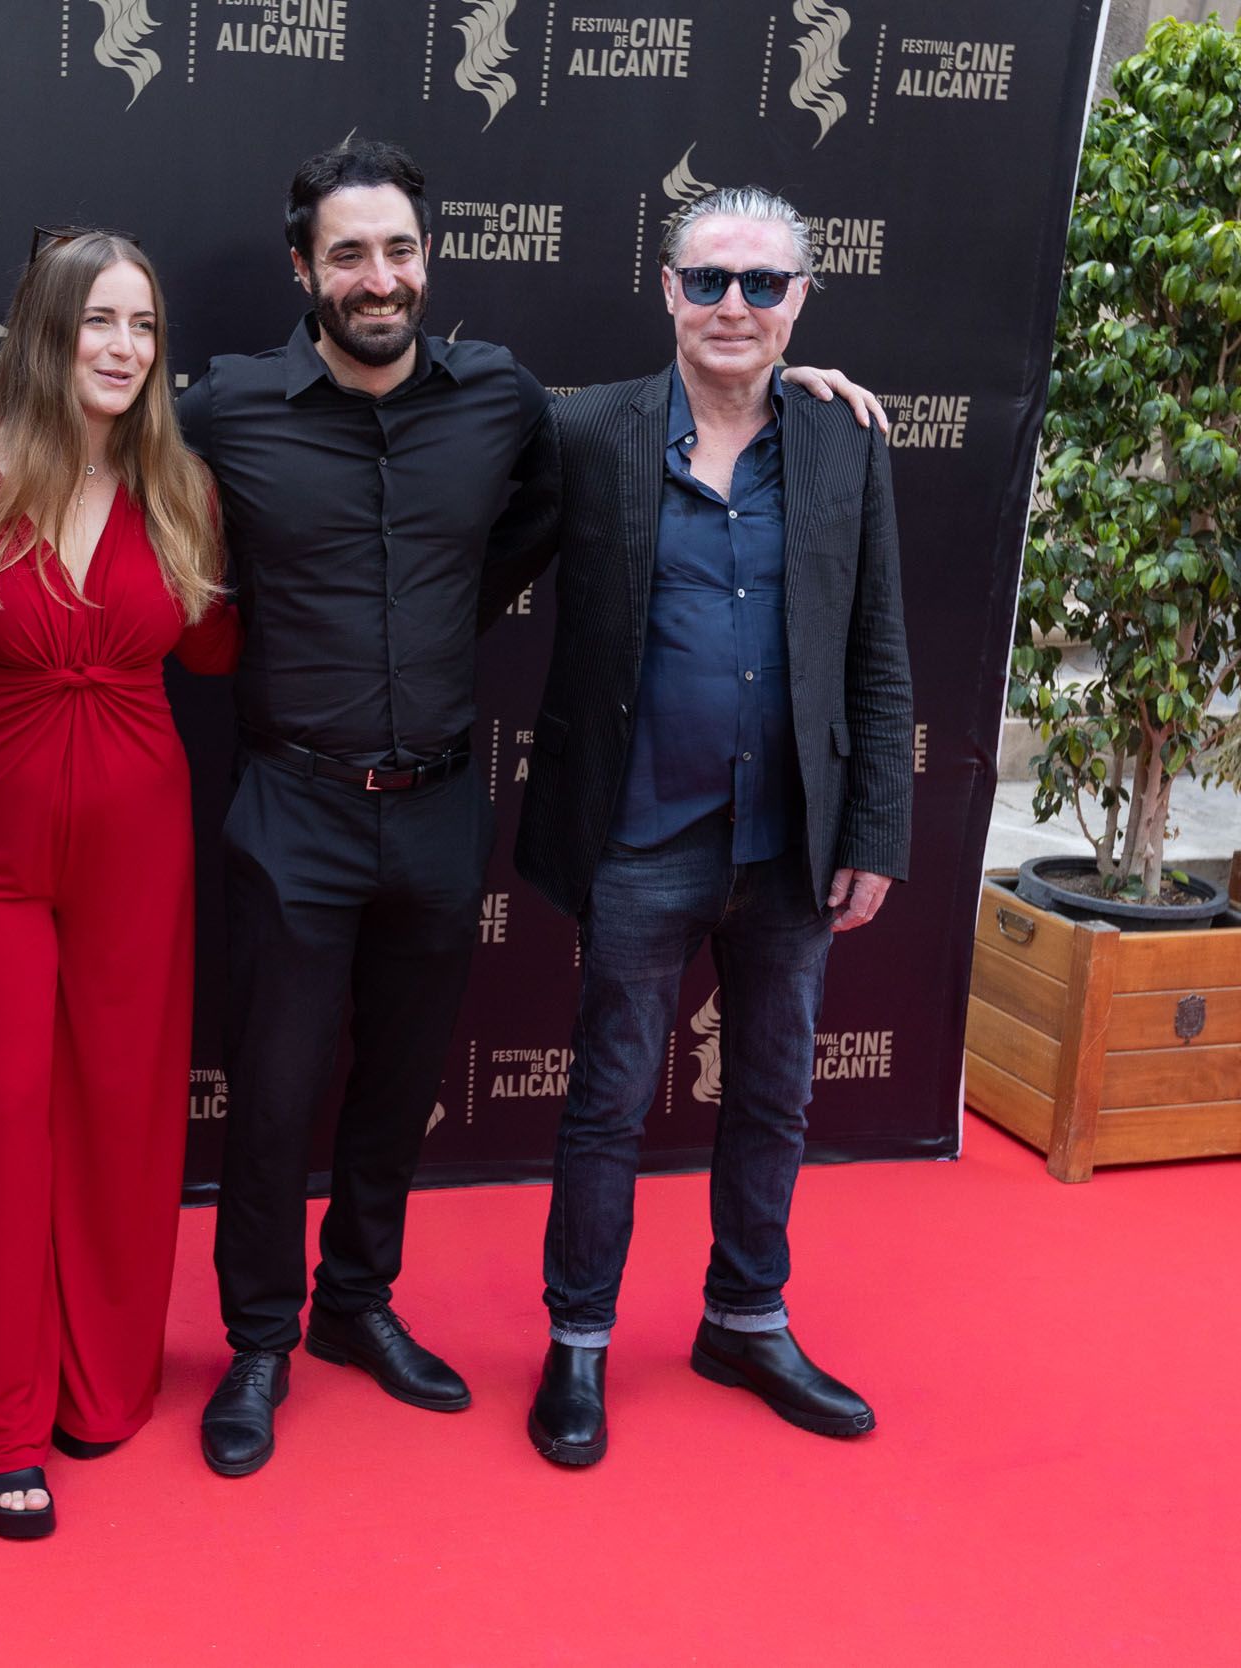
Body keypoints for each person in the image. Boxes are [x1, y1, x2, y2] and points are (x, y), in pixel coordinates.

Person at [0, 139, 881, 1480]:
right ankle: (259, 1339)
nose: (381, 277)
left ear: (430, 263)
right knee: (272, 1092)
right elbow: (82, 420)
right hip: (287, 805)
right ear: (305, 269)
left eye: (402, 250)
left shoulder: (505, 402)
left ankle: (358, 1304)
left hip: (436, 805)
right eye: (351, 253)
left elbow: (655, 418)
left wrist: (791, 383)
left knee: (400, 1085)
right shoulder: (229, 409)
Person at [495, 185, 913, 1468]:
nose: (736, 304)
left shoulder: (845, 443)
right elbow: (467, 558)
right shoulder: (590, 433)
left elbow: (878, 650)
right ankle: (578, 1344)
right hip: (639, 835)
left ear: (801, 302)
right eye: (711, 280)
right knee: (608, 1100)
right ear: (667, 289)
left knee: (775, 1096)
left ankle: (744, 1316)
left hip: (791, 841)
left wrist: (880, 828)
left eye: (765, 285)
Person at [0, 230, 237, 1538]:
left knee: (123, 1108)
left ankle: (105, 1386)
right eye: (99, 321)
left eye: (144, 327)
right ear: (45, 330)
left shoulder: (184, 487)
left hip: (139, 842)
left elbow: (213, 651)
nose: (123, 348)